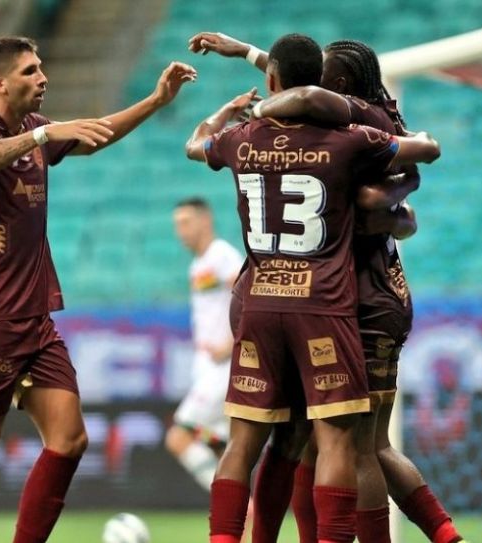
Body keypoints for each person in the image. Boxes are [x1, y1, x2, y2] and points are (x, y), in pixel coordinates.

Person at [189, 32, 463, 543]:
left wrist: (391, 208)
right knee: (316, 441)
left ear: (333, 83)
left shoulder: (282, 128)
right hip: (332, 297)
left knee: (340, 442)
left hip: (329, 296)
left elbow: (298, 92)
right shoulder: (348, 131)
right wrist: (398, 209)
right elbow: (405, 169)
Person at [0, 36, 195, 543]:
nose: (43, 77)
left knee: (70, 439)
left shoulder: (33, 127)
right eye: (31, 71)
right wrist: (42, 136)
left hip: (34, 319)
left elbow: (96, 134)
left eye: (42, 68)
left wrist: (155, 101)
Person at [167, 197, 243, 492]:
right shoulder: (198, 264)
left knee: (179, 436)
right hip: (208, 367)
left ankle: (229, 500)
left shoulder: (221, 255)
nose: (180, 231)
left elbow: (247, 296)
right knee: (222, 446)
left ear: (205, 220)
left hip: (222, 368)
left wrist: (232, 340)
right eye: (177, 225)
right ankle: (241, 516)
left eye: (186, 222)